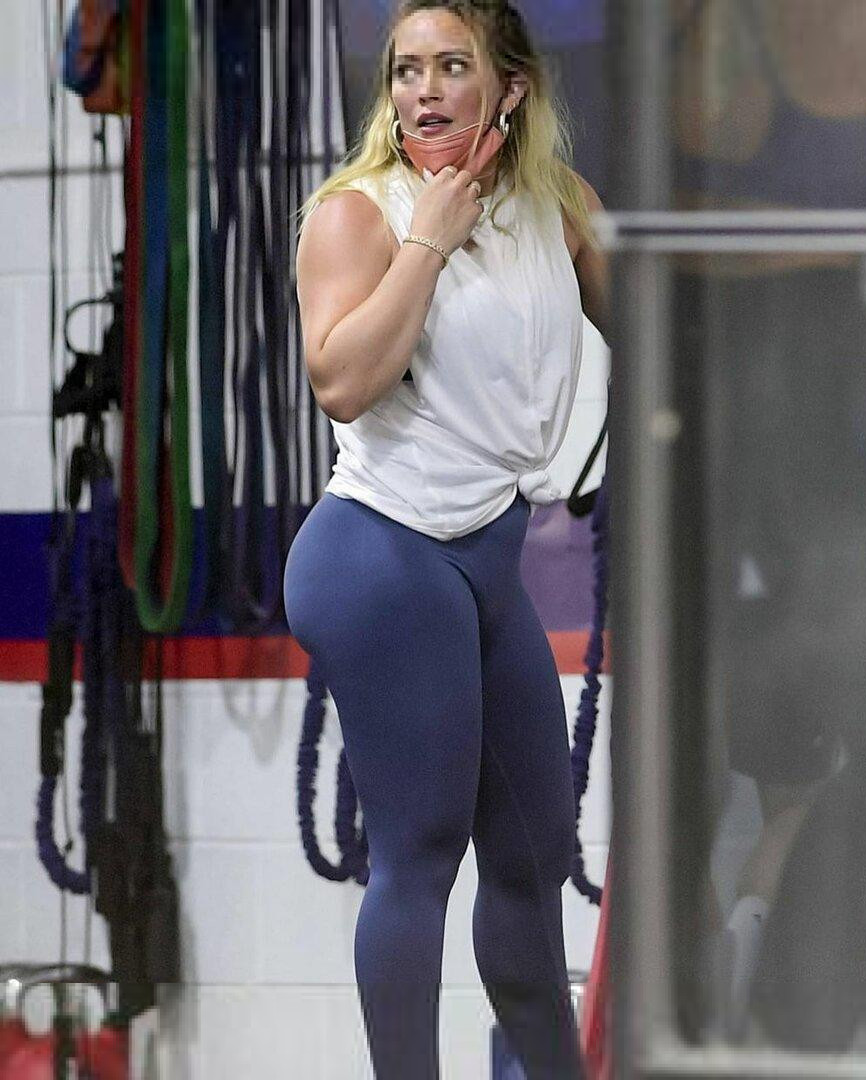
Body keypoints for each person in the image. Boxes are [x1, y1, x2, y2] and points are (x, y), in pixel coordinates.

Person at [283, 2, 609, 1076]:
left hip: (485, 565)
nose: (422, 89)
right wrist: (427, 236)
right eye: (405, 69)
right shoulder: (357, 214)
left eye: (450, 66)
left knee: (534, 856)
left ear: (509, 88)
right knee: (417, 858)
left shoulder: (559, 207)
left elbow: (664, 339)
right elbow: (342, 382)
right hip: (380, 554)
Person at [668, 0, 866, 1045]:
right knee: (679, 724)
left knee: (856, 714)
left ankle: (808, 1009)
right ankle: (707, 1002)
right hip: (688, 359)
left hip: (816, 363)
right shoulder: (676, 28)